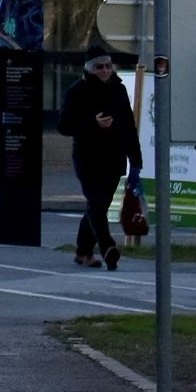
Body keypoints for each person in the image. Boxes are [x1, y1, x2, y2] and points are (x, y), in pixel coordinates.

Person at [56, 51, 141, 270]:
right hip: (87, 157)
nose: (104, 71)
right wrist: (92, 124)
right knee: (96, 202)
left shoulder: (119, 90)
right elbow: (64, 126)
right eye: (99, 67)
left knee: (98, 206)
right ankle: (107, 247)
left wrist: (136, 161)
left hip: (114, 157)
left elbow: (129, 127)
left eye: (107, 66)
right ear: (89, 68)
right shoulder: (77, 91)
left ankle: (83, 252)